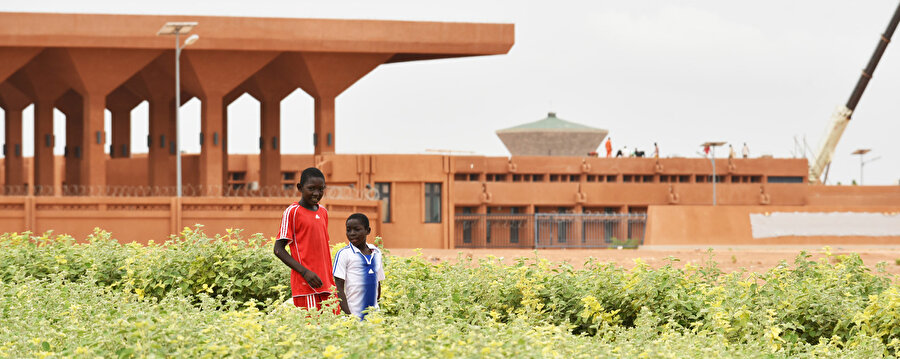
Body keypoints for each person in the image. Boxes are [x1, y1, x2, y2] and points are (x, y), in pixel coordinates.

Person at [273, 167, 336, 309]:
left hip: (327, 287)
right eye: (311, 188)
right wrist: (305, 272)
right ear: (300, 188)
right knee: (312, 330)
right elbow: (278, 249)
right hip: (306, 288)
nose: (316, 193)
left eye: (321, 189)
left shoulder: (323, 212)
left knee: (332, 329)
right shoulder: (293, 212)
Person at [333, 213, 386, 320]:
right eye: (348, 230)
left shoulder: (376, 252)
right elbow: (338, 287)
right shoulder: (344, 254)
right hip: (353, 315)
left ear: (368, 231)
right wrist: (349, 316)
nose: (352, 233)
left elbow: (378, 281)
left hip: (374, 316)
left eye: (357, 229)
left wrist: (376, 307)